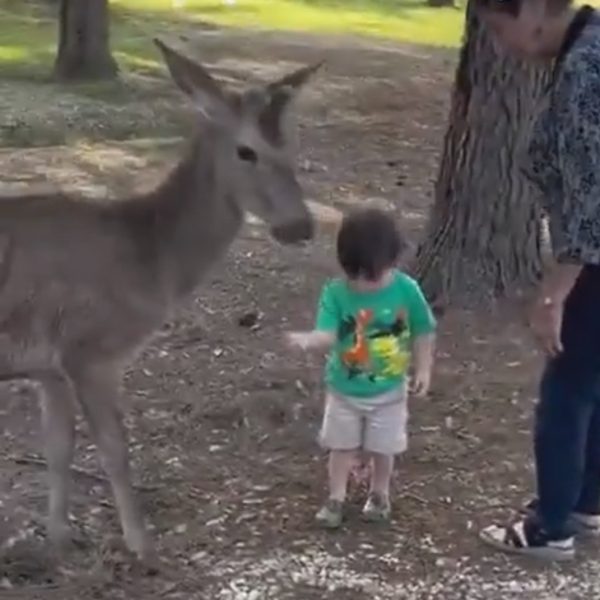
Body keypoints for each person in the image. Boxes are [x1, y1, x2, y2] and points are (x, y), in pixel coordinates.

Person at [475, 0, 600, 561]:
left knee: (567, 384)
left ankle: (550, 528)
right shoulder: (590, 46)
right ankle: (586, 502)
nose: (502, 45)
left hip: (594, 256)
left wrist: (555, 291)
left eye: (500, 30)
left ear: (530, 12)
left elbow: (591, 198)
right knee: (591, 377)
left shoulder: (583, 69)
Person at [286, 208, 436, 528]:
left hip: (390, 392)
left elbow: (424, 329)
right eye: (357, 275)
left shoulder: (406, 290)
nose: (365, 284)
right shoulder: (336, 292)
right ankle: (336, 497)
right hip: (344, 391)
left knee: (384, 448)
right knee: (341, 446)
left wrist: (424, 369)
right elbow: (327, 333)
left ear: (391, 262)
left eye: (373, 275)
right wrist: (311, 340)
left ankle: (379, 493)